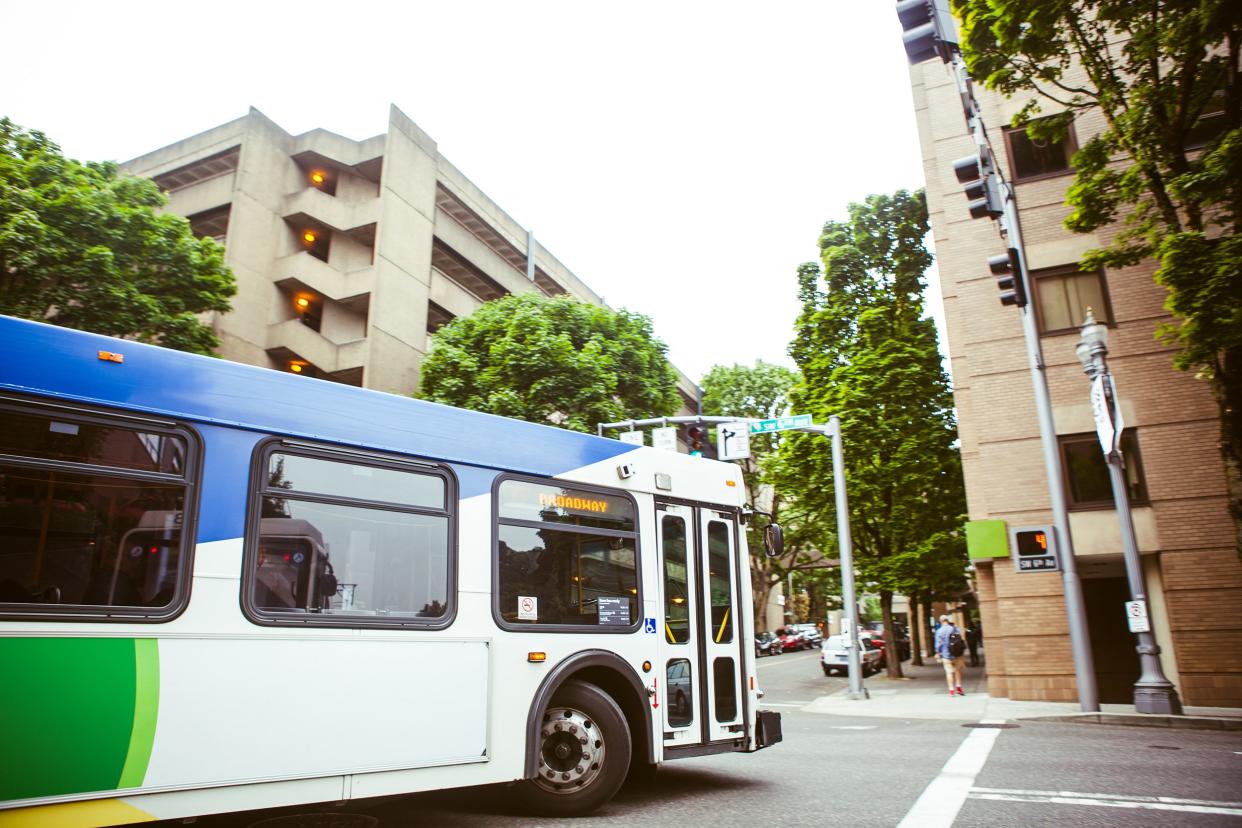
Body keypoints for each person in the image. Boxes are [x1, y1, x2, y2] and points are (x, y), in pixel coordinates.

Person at [934, 614, 966, 696]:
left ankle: (951, 690)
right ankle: (959, 687)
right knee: (957, 670)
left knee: (949, 672)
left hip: (946, 655)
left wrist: (938, 653)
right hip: (957, 653)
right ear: (947, 620)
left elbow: (938, 644)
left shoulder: (939, 631)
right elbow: (960, 639)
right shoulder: (954, 629)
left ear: (941, 621)